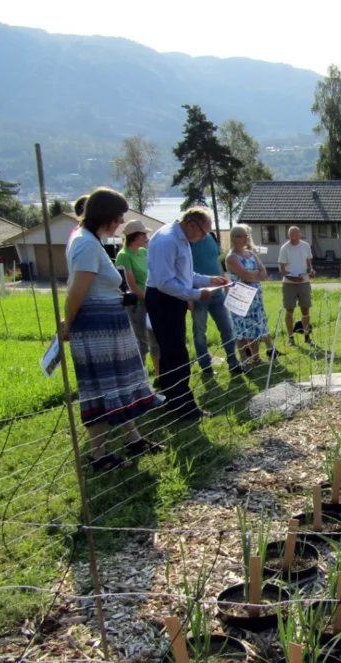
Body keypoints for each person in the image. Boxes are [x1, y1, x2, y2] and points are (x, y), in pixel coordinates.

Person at [61, 188, 161, 471]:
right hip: (97, 329)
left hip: (110, 324)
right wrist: (67, 325)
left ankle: (133, 438)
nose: (120, 222)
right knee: (103, 387)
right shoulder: (86, 245)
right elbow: (76, 291)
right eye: (118, 216)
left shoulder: (90, 240)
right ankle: (99, 454)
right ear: (105, 215)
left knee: (121, 383)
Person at [146, 208, 232, 420]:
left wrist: (209, 280)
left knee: (172, 353)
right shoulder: (167, 241)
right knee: (176, 354)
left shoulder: (182, 240)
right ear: (192, 224)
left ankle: (174, 400)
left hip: (173, 298)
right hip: (163, 299)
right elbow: (165, 282)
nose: (204, 238)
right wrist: (195, 295)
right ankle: (184, 406)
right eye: (204, 232)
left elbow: (185, 274)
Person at [190, 230, 243, 376]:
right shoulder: (188, 241)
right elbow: (185, 271)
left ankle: (233, 362)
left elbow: (216, 262)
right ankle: (205, 365)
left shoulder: (211, 237)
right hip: (198, 294)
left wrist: (224, 281)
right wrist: (189, 297)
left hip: (218, 293)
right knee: (200, 332)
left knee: (227, 328)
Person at [116, 219, 160, 378]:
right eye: (144, 235)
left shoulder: (144, 252)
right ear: (135, 237)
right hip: (138, 305)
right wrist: (151, 298)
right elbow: (131, 284)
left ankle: (159, 375)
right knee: (142, 342)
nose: (146, 237)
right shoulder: (124, 256)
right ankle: (140, 378)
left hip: (152, 302)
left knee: (156, 340)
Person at [226, 225, 271, 366]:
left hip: (255, 296)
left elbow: (263, 271)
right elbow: (244, 275)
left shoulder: (250, 253)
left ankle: (256, 358)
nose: (244, 238)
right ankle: (244, 358)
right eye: (241, 236)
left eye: (246, 235)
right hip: (240, 296)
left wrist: (255, 276)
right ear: (233, 238)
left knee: (255, 326)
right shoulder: (231, 257)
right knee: (242, 327)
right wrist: (255, 275)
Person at [278, 226, 316, 345]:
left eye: (295, 235)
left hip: (304, 282)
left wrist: (311, 270)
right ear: (288, 236)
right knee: (289, 311)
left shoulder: (305, 246)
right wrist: (292, 278)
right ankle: (290, 337)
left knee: (305, 309)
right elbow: (282, 270)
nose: (293, 238)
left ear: (300, 235)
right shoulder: (285, 248)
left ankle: (306, 336)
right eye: (290, 236)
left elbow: (308, 262)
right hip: (289, 284)